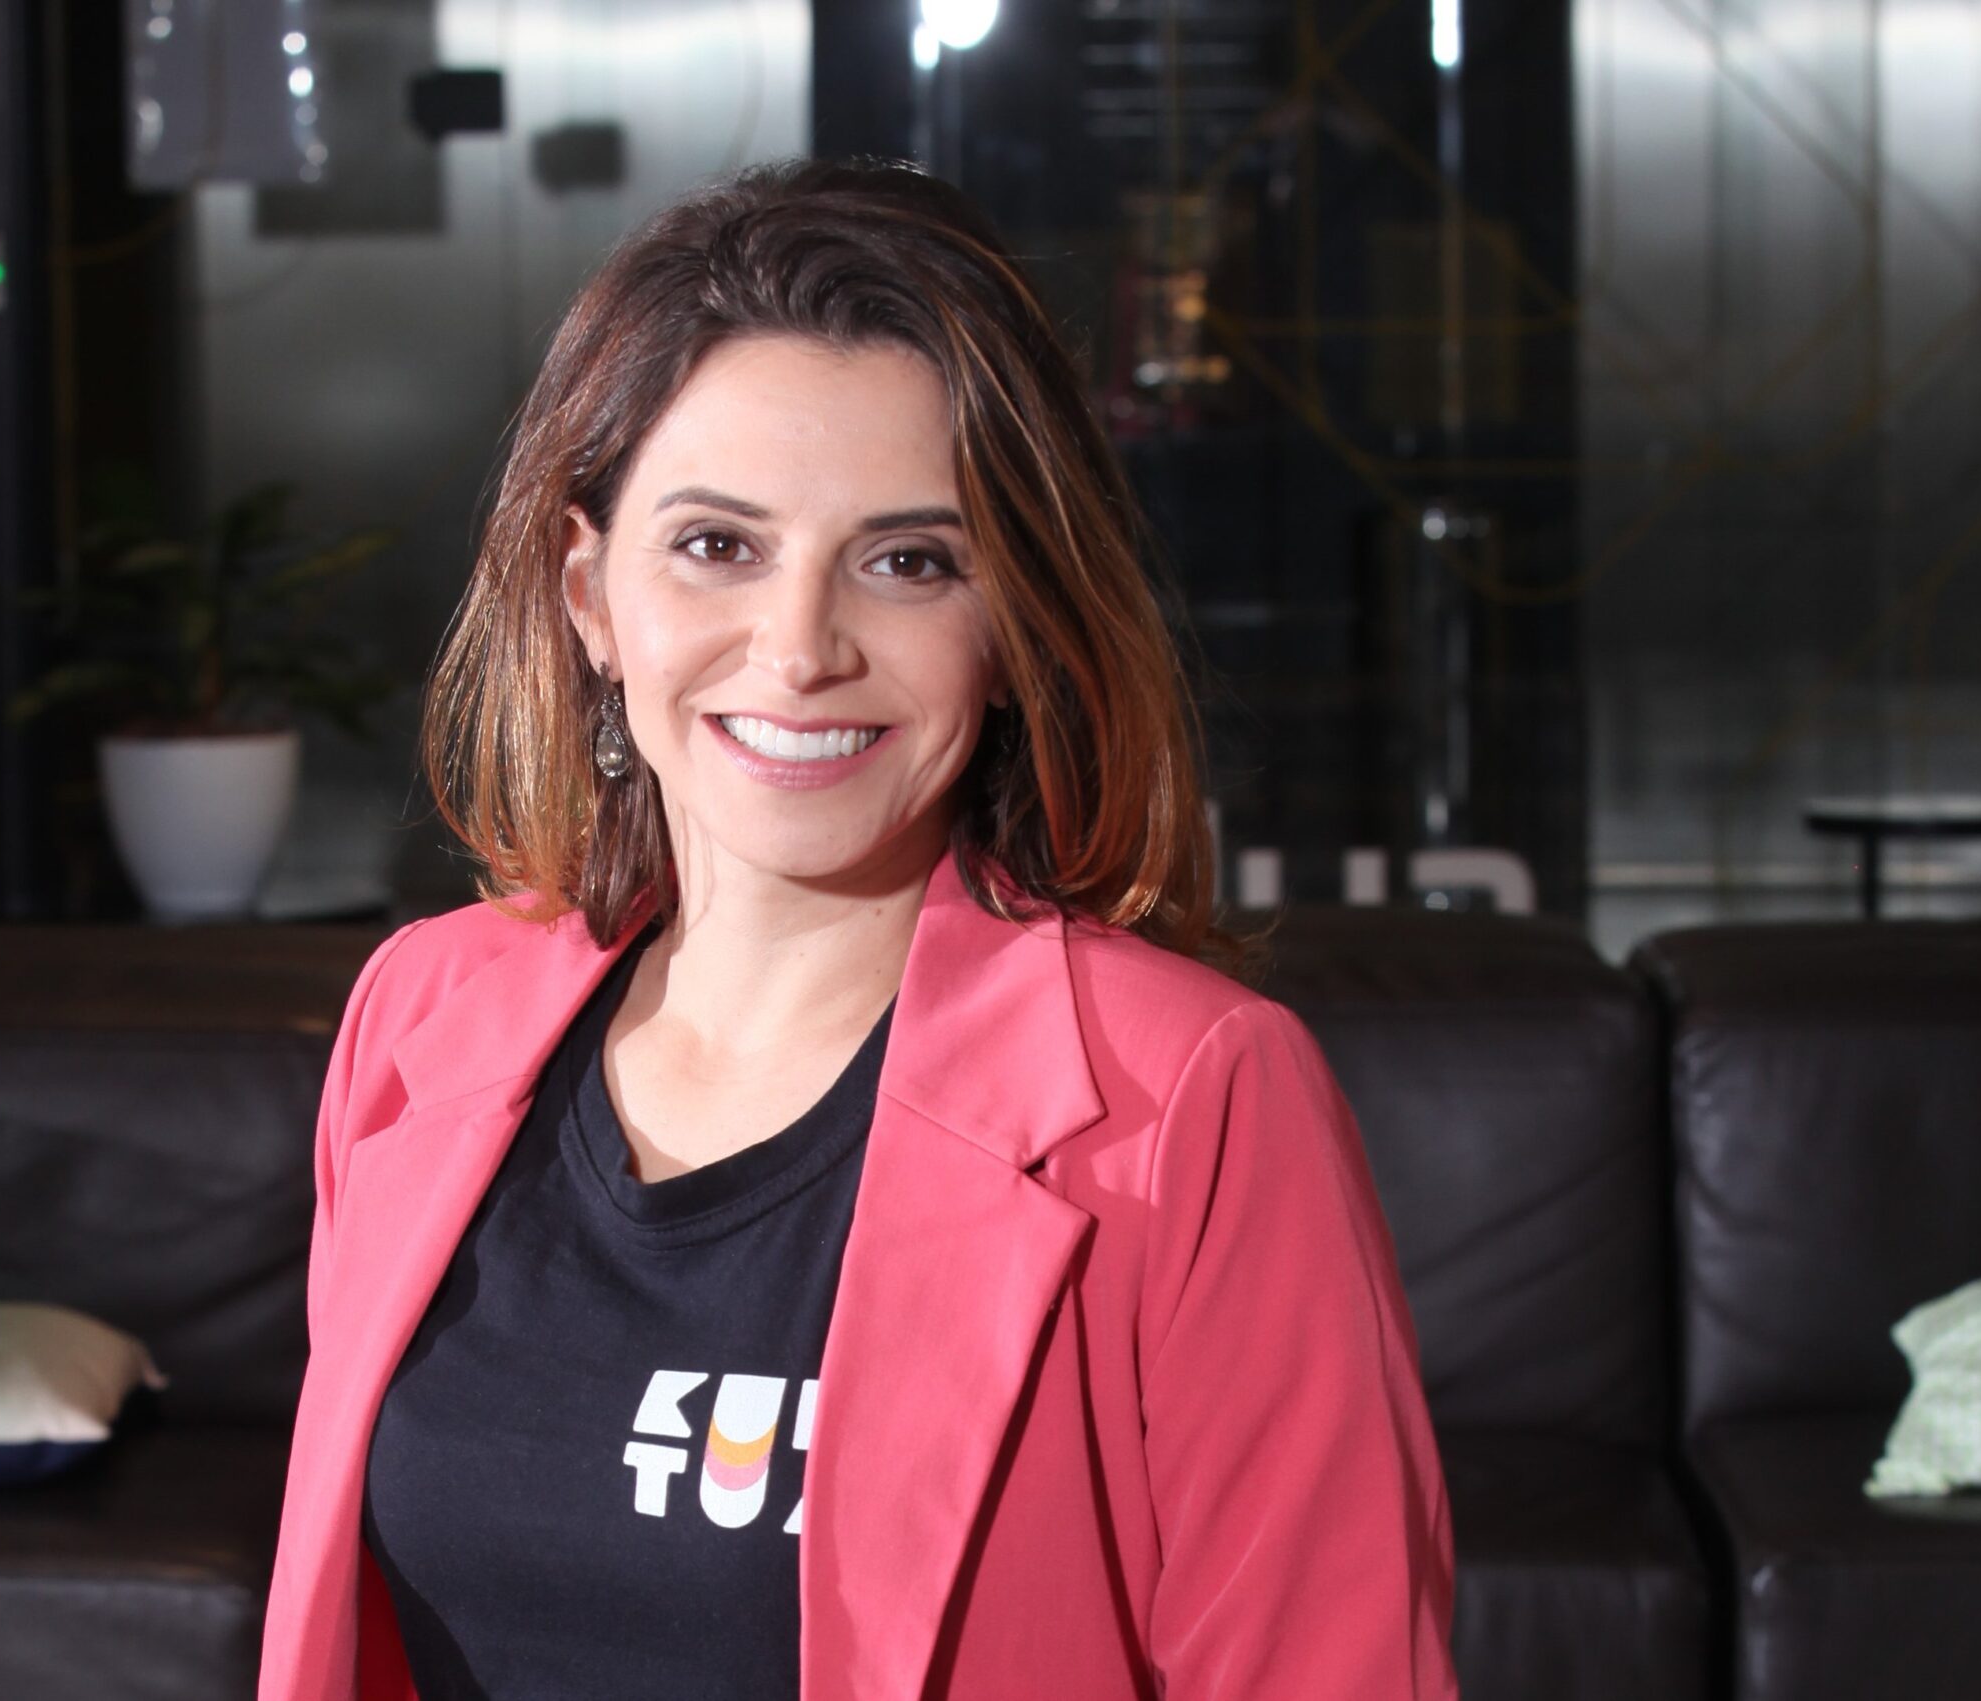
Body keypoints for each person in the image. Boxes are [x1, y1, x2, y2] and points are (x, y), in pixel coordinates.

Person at [257, 157, 1458, 1701]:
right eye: (718, 545)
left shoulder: (1195, 1098)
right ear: (591, 595)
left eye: (908, 562)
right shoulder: (420, 1018)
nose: (801, 648)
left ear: (1014, 627)